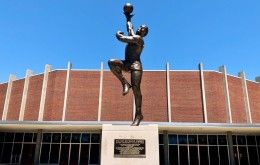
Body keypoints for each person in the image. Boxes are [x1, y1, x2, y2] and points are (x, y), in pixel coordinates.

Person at [108, 12, 148, 126]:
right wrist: (128, 17)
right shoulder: (133, 36)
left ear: (144, 34)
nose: (140, 28)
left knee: (136, 90)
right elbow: (130, 27)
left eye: (143, 29)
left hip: (136, 66)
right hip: (127, 63)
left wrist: (118, 34)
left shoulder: (139, 39)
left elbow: (121, 38)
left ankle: (138, 114)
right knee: (111, 62)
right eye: (140, 27)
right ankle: (125, 83)